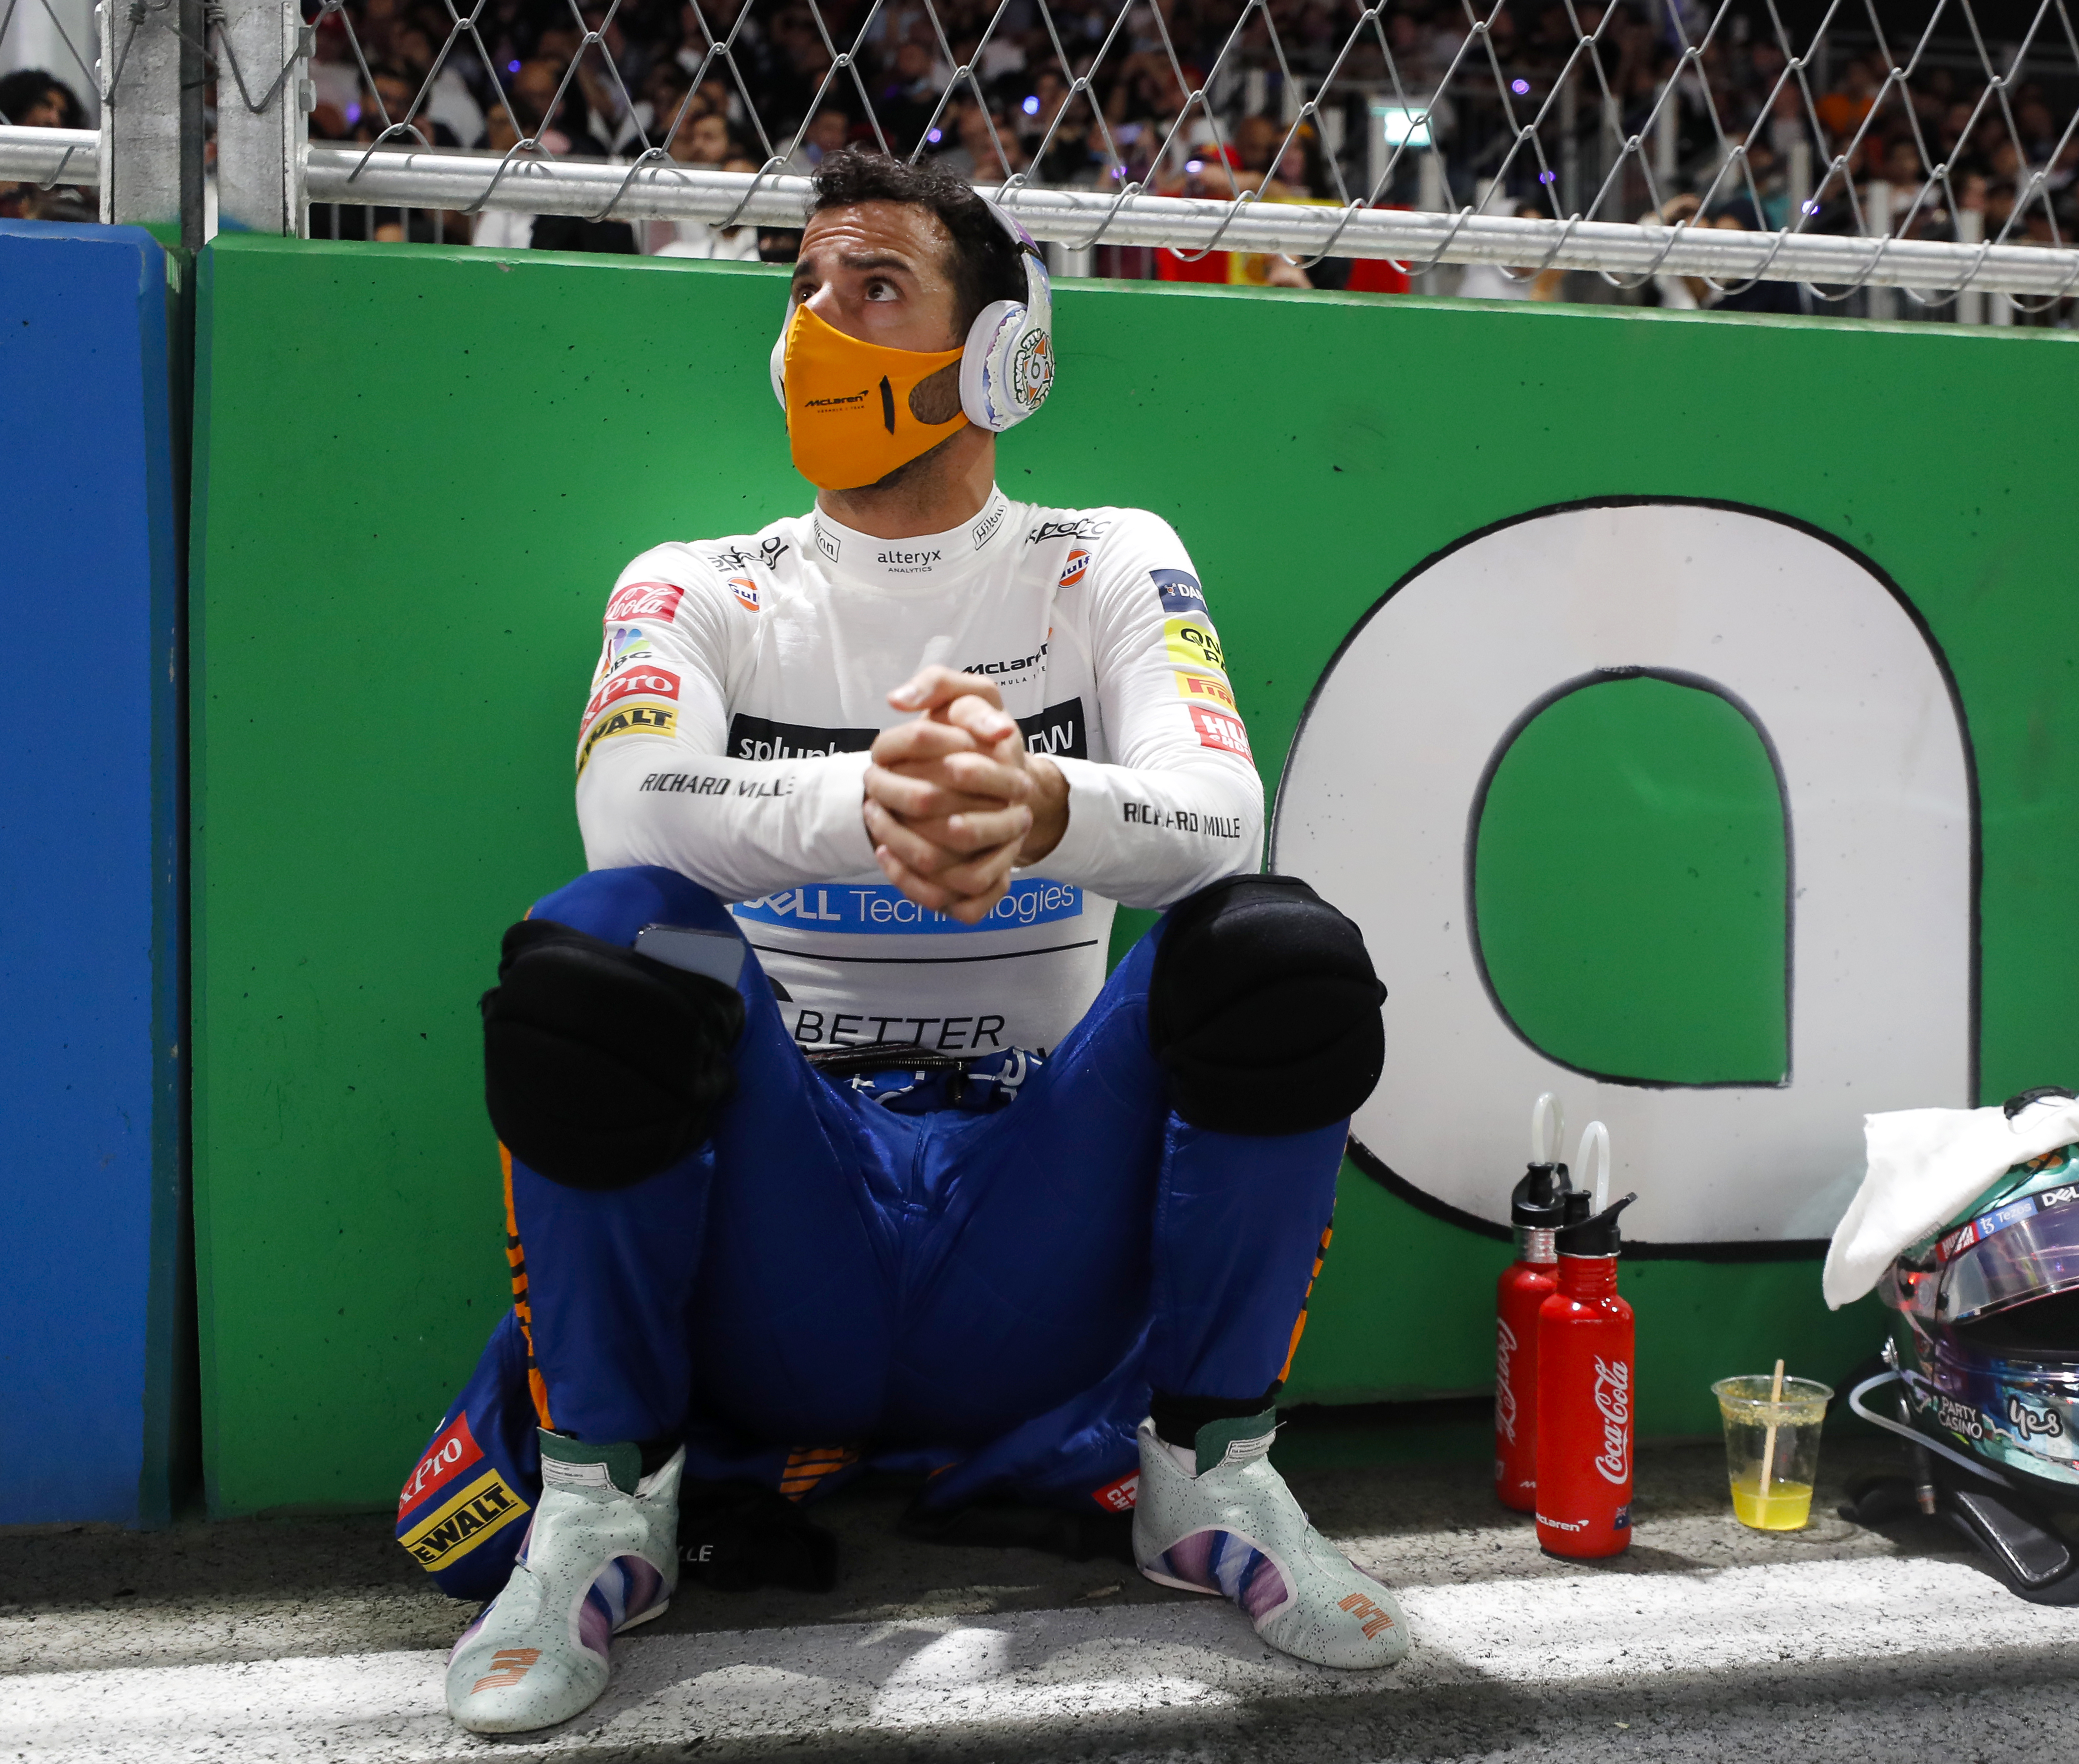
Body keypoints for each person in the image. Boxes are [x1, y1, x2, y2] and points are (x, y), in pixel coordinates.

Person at [402, 147, 1409, 1736]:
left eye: (873, 288)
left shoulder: (1106, 558)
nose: (817, 325)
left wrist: (1036, 802)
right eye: (801, 289)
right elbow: (624, 814)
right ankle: (602, 1512)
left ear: (1002, 353)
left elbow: (1221, 817)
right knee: (602, 949)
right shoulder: (697, 580)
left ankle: (1210, 1482)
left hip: (1034, 1224)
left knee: (1274, 951)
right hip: (787, 1222)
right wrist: (879, 805)